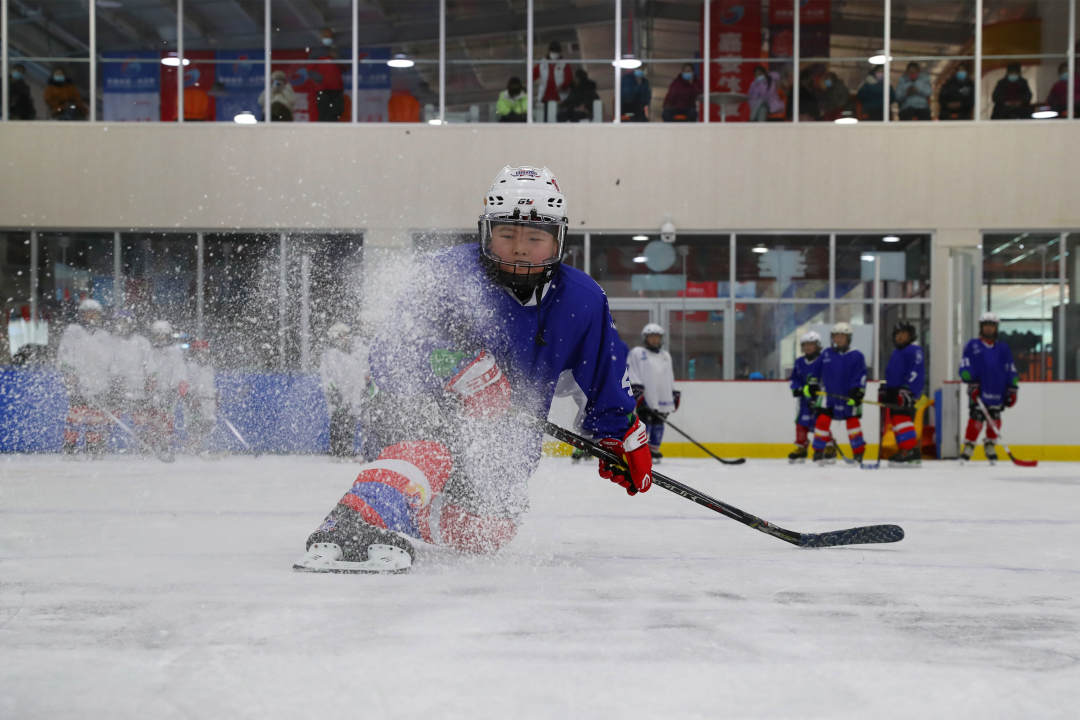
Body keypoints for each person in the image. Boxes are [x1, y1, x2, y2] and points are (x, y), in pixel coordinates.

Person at [294, 165, 649, 574]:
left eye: (534, 238)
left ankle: (402, 511)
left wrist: (618, 434)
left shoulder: (583, 301)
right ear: (485, 233)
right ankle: (349, 522)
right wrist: (455, 367)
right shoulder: (444, 275)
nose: (519, 248)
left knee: (491, 531)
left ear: (557, 241)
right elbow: (390, 350)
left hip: (502, 437)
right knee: (430, 449)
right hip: (418, 409)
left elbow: (605, 375)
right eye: (507, 235)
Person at [958, 312, 1019, 463]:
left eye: (992, 326)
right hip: (979, 388)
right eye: (986, 326)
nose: (989, 329)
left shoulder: (1003, 348)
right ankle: (969, 445)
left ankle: (990, 444)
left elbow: (1010, 369)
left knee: (995, 418)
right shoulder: (973, 345)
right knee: (976, 418)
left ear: (996, 328)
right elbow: (965, 366)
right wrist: (970, 380)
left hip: (997, 389)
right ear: (981, 327)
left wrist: (1012, 388)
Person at [56, 299, 113, 455]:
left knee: (95, 418)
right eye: (88, 314)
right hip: (78, 383)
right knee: (76, 415)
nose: (91, 317)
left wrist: (110, 378)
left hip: (99, 383)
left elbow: (109, 360)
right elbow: (64, 355)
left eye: (95, 314)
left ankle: (93, 446)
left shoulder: (104, 335)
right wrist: (70, 374)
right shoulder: (73, 331)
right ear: (81, 315)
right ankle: (70, 446)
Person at [809, 322, 867, 464]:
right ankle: (818, 451)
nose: (839, 339)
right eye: (836, 336)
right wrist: (812, 384)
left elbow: (861, 376)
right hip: (829, 397)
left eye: (842, 336)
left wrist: (858, 391)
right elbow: (815, 372)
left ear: (848, 338)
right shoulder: (826, 353)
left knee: (853, 423)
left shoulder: (857, 355)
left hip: (849, 397)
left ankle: (858, 452)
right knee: (822, 420)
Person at [628, 323, 681, 461]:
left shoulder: (665, 356)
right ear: (645, 338)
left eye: (657, 337)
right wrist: (637, 393)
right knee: (645, 422)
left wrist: (674, 393)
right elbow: (632, 373)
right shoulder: (638, 353)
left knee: (659, 422)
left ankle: (654, 450)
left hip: (662, 396)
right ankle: (642, 450)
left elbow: (669, 376)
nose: (654, 340)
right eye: (651, 337)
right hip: (646, 396)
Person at [319, 322, 369, 458]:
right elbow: (326, 377)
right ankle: (337, 450)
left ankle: (346, 448)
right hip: (338, 395)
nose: (346, 339)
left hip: (350, 395)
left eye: (346, 336)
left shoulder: (354, 355)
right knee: (338, 420)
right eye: (343, 336)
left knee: (350, 420)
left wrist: (358, 392)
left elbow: (358, 377)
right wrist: (333, 391)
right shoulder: (330, 356)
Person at [879, 321, 925, 466]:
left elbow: (915, 372)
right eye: (897, 335)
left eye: (904, 335)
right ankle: (904, 450)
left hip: (906, 391)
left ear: (910, 336)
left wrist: (907, 390)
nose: (900, 337)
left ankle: (910, 450)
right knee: (896, 420)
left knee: (902, 419)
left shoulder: (914, 350)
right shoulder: (897, 352)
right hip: (895, 391)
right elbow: (892, 373)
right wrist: (886, 388)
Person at [107, 308, 151, 451]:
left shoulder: (142, 342)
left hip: (138, 388)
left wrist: (150, 380)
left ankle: (145, 447)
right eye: (119, 322)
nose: (122, 326)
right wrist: (114, 379)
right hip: (116, 388)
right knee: (109, 418)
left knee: (141, 420)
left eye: (125, 322)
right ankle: (100, 445)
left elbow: (150, 365)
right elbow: (108, 363)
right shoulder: (110, 342)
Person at [142, 320, 185, 456]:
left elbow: (179, 369)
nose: (160, 338)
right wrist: (150, 380)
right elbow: (148, 368)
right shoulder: (150, 351)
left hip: (169, 389)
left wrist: (177, 384)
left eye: (163, 335)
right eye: (157, 335)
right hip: (154, 390)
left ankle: (165, 444)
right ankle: (151, 444)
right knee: (153, 417)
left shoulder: (175, 352)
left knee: (167, 417)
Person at [787, 331, 822, 463]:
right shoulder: (799, 362)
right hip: (803, 401)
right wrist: (796, 388)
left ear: (817, 346)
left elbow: (825, 378)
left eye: (811, 344)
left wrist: (819, 387)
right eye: (805, 345)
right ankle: (801, 448)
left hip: (818, 399)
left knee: (819, 424)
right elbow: (794, 378)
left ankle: (827, 446)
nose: (807, 347)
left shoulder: (822, 361)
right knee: (801, 424)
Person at [181, 339, 218, 455]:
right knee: (194, 426)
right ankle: (192, 448)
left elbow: (210, 385)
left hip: (208, 402)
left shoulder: (209, 368)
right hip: (194, 401)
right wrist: (191, 397)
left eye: (204, 351)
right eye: (200, 352)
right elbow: (185, 384)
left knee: (208, 424)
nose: (202, 354)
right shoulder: (190, 367)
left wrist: (215, 395)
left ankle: (203, 448)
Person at [311, 28, 345, 122]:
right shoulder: (316, 52)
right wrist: (321, 80)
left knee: (337, 112)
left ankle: (333, 132)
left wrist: (337, 58)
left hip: (337, 89)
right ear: (321, 37)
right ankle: (323, 133)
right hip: (322, 90)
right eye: (326, 36)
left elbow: (346, 67)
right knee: (323, 113)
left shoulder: (336, 51)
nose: (328, 38)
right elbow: (310, 69)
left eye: (330, 36)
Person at [533, 41, 573, 111]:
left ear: (560, 52)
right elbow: (533, 75)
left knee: (558, 117)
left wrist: (563, 86)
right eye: (553, 51)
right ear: (549, 51)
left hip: (560, 98)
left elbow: (569, 79)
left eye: (556, 52)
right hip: (544, 97)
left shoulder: (564, 64)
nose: (554, 54)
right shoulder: (542, 63)